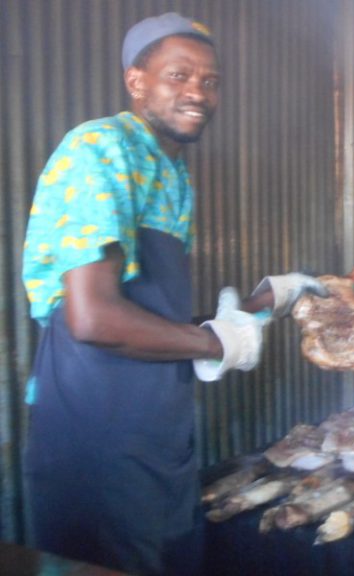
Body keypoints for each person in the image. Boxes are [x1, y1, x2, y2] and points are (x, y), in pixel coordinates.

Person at [21, 12, 326, 576]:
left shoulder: (172, 173)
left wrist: (262, 302)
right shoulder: (100, 148)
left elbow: (151, 318)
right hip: (97, 440)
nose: (198, 93)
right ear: (136, 80)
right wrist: (216, 345)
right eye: (179, 75)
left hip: (160, 435)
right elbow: (93, 319)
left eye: (210, 81)